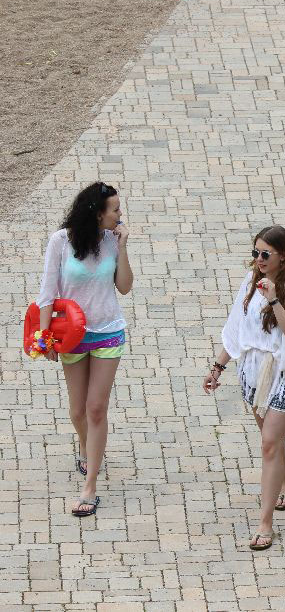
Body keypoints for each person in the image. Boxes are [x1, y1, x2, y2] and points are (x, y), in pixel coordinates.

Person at [204, 226, 285, 551]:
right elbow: (236, 328)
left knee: (268, 443)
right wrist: (218, 367)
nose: (259, 260)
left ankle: (265, 524)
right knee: (271, 439)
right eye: (255, 253)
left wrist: (274, 299)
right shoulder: (251, 281)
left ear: (283, 255)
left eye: (265, 254)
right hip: (252, 373)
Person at [37, 182, 133, 518]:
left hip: (108, 332)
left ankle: (90, 485)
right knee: (77, 411)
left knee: (95, 409)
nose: (120, 214)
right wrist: (44, 337)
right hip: (71, 335)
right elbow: (47, 293)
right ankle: (86, 444)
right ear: (96, 212)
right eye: (115, 209)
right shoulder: (60, 241)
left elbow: (124, 287)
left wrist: (122, 247)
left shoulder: (112, 240)